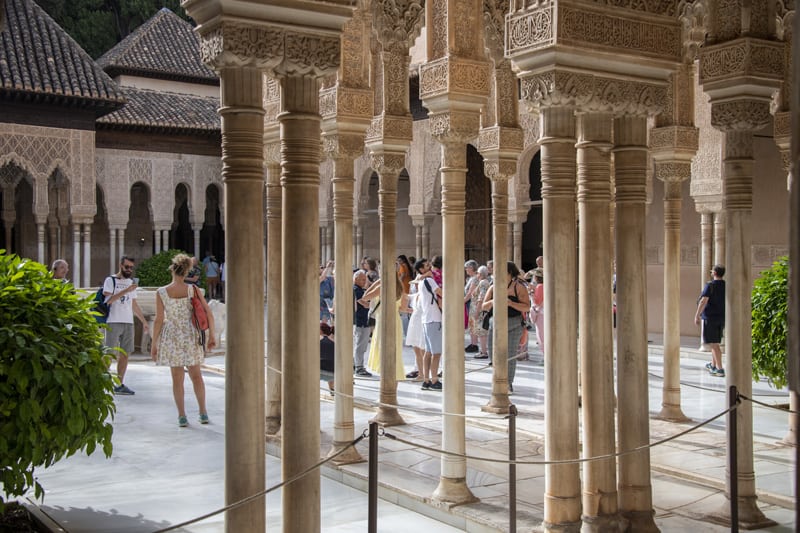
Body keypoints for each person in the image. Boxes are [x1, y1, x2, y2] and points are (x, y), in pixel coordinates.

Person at [150, 253, 216, 427]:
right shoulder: (192, 289)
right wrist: (212, 335)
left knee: (177, 378)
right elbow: (207, 311)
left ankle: (182, 416)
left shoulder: (161, 292)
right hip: (190, 334)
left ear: (172, 269)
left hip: (171, 336)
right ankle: (203, 413)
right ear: (186, 271)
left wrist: (154, 343)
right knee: (196, 376)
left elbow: (158, 319)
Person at [103, 256, 150, 395]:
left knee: (125, 354)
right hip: (113, 320)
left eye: (131, 267)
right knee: (109, 353)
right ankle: (103, 381)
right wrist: (126, 290)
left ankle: (119, 383)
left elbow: (133, 304)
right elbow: (108, 300)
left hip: (128, 322)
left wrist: (144, 321)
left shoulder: (130, 282)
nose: (129, 270)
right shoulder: (110, 280)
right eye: (127, 267)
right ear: (120, 266)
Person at [483, 261, 530, 393]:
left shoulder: (519, 287)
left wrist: (510, 303)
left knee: (510, 355)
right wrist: (493, 301)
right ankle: (497, 380)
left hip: (514, 324)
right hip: (495, 324)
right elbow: (484, 306)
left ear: (509, 273)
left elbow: (526, 306)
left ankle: (508, 383)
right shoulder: (493, 287)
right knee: (493, 354)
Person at [361, 276, 407, 381]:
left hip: (383, 320)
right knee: (395, 353)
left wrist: (377, 282)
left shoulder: (382, 286)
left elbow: (365, 296)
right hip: (395, 320)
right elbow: (403, 308)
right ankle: (392, 389)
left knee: (383, 352)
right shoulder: (400, 287)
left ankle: (386, 390)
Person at [695, 264, 726, 377]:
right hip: (721, 317)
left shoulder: (710, 285)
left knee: (714, 344)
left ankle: (720, 368)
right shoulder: (725, 285)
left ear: (715, 273)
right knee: (715, 342)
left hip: (710, 317)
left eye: (712, 271)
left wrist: (697, 315)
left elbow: (704, 301)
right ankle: (713, 365)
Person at [417, 260, 443, 391]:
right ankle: (434, 380)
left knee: (428, 352)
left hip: (426, 319)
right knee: (436, 352)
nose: (430, 267)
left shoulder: (421, 282)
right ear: (421, 269)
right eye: (427, 266)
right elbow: (441, 293)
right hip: (434, 318)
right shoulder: (429, 281)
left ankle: (426, 380)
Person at [404, 258, 431, 379]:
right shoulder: (416, 295)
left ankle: (426, 374)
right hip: (414, 321)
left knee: (423, 349)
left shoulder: (427, 289)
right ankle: (421, 373)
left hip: (422, 321)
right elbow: (405, 297)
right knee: (416, 349)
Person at [352, 269, 373, 377]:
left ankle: (356, 364)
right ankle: (359, 367)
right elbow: (363, 303)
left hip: (362, 321)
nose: (364, 281)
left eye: (365, 279)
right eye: (362, 279)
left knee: (360, 344)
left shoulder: (359, 289)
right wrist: (374, 306)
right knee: (360, 345)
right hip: (361, 321)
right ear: (356, 279)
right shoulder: (357, 289)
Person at [472, 265, 492, 359]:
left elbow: (481, 297)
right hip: (480, 309)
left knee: (481, 331)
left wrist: (477, 311)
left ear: (480, 274)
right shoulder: (483, 282)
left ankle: (484, 352)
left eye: (477, 273)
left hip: (480, 310)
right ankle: (482, 350)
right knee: (480, 331)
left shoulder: (483, 283)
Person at [464, 260, 480, 353]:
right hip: (469, 302)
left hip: (472, 303)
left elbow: (470, 293)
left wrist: (463, 301)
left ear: (471, 268)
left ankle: (474, 344)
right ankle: (473, 343)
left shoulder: (474, 278)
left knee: (473, 323)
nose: (466, 269)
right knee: (471, 324)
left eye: (467, 267)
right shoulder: (471, 278)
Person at [531, 268, 544, 357]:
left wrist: (531, 295)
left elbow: (537, 302)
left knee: (541, 336)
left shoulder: (540, 286)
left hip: (540, 314)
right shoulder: (544, 285)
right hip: (544, 312)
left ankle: (545, 355)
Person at [320, 322, 335, 395]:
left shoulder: (319, 340)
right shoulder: (334, 341)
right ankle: (332, 389)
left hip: (321, 372)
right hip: (334, 373)